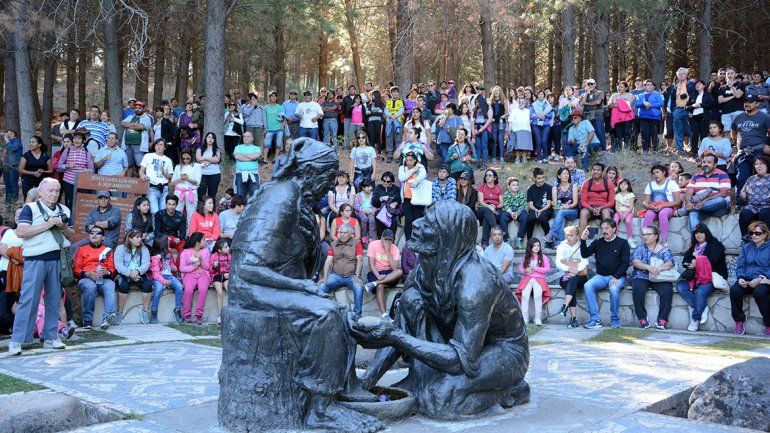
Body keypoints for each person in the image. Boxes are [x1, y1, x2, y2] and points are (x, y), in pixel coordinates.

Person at [8, 179, 74, 355]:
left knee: (54, 300)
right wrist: (49, 224)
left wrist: (64, 227)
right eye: (50, 190)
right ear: (40, 191)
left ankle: (51, 336)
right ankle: (17, 340)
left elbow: (72, 235)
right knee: (28, 299)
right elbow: (21, 232)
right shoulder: (30, 208)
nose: (54, 194)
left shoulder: (64, 209)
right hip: (35, 258)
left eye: (57, 191)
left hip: (57, 259)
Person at [580, 219, 631, 329]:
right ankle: (595, 320)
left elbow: (625, 263)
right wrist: (583, 240)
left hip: (618, 277)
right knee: (588, 285)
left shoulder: (623, 243)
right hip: (601, 276)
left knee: (614, 288)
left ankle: (615, 320)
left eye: (607, 228)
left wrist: (616, 277)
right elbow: (584, 254)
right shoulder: (598, 242)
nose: (604, 231)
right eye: (602, 228)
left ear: (614, 229)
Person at [676, 224, 727, 332]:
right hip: (695, 277)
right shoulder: (694, 247)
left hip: (711, 277)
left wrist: (697, 263)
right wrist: (691, 262)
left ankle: (695, 319)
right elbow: (685, 261)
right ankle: (701, 307)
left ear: (706, 233)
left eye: (701, 232)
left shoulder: (714, 245)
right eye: (696, 233)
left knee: (701, 291)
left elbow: (714, 260)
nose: (698, 235)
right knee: (680, 287)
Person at [630, 226, 675, 329]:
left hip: (658, 277)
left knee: (667, 289)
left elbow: (670, 263)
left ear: (656, 236)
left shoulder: (663, 249)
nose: (645, 236)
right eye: (644, 234)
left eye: (648, 234)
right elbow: (635, 262)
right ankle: (642, 318)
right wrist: (648, 267)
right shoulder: (640, 248)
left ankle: (662, 319)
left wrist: (658, 269)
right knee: (637, 287)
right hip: (642, 276)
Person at [730, 221, 770, 336]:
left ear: (765, 234)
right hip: (746, 279)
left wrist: (761, 278)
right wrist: (740, 277)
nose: (753, 235)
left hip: (763, 280)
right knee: (734, 291)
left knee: (759, 293)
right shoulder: (746, 247)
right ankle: (739, 321)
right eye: (751, 233)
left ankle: (769, 324)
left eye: (757, 233)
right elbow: (740, 265)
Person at [74, 226, 117, 330]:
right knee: (90, 287)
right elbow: (76, 269)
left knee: (110, 285)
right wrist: (87, 274)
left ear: (103, 238)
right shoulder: (81, 249)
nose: (94, 235)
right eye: (92, 233)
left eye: (97, 233)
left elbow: (112, 269)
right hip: (86, 279)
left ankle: (107, 319)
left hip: (103, 279)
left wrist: (106, 272)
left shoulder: (107, 250)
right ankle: (87, 321)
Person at [319, 224, 365, 320]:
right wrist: (324, 278)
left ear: (351, 234)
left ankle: (357, 314)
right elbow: (328, 261)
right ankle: (321, 312)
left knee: (359, 287)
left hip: (352, 276)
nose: (341, 235)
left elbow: (360, 260)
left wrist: (357, 275)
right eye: (340, 232)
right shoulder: (334, 244)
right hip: (336, 276)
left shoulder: (356, 243)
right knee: (321, 288)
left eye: (345, 233)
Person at [733, 93, 770, 201]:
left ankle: (762, 201)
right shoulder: (738, 117)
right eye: (745, 102)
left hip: (759, 151)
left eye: (750, 102)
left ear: (757, 103)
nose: (747, 104)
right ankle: (740, 203)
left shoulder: (764, 116)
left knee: (760, 177)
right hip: (743, 153)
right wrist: (739, 146)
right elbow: (733, 133)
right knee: (741, 177)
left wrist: (767, 145)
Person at [113, 229, 153, 323]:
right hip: (124, 273)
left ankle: (145, 311)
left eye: (140, 237)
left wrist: (137, 271)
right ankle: (119, 312)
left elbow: (146, 264)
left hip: (139, 273)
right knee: (123, 286)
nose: (140, 239)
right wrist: (130, 273)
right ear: (130, 239)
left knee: (148, 285)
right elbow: (118, 265)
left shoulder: (144, 249)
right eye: (137, 237)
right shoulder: (121, 248)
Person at [684, 154, 731, 231]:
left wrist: (704, 201)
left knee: (720, 200)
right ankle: (695, 238)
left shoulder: (722, 174)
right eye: (704, 162)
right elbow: (689, 191)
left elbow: (723, 194)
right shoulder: (696, 176)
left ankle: (688, 209)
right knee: (693, 214)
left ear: (715, 165)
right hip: (703, 209)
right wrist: (688, 202)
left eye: (709, 162)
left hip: (718, 208)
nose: (706, 164)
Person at [364, 229, 403, 320]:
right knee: (380, 286)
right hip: (375, 272)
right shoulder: (373, 245)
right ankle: (384, 315)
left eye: (390, 240)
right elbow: (371, 264)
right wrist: (378, 276)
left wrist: (388, 252)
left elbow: (394, 268)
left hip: (389, 274)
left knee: (399, 271)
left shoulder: (395, 249)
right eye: (386, 239)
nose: (388, 242)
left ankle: (374, 283)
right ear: (381, 238)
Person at [555, 226, 588, 328]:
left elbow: (585, 261)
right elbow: (558, 263)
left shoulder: (581, 246)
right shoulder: (561, 246)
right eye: (567, 235)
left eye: (571, 235)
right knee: (571, 283)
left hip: (580, 276)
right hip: (566, 275)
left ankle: (566, 307)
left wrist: (576, 271)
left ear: (577, 236)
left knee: (573, 280)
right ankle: (572, 318)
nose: (568, 237)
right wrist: (569, 269)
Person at [642, 164, 681, 245]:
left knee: (662, 213)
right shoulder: (650, 185)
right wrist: (650, 207)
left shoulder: (671, 183)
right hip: (654, 208)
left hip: (668, 208)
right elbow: (645, 202)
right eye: (654, 173)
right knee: (648, 214)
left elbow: (678, 201)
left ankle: (664, 242)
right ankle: (646, 241)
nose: (655, 175)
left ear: (664, 172)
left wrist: (663, 206)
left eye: (657, 172)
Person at [149, 235, 184, 324]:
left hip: (169, 275)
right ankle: (154, 311)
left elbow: (170, 263)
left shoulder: (168, 252)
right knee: (159, 288)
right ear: (163, 244)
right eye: (168, 241)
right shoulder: (155, 258)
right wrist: (165, 282)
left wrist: (173, 267)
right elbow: (156, 274)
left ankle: (177, 309)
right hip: (158, 277)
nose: (170, 241)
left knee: (179, 286)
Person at [516, 238, 551, 325]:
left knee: (538, 296)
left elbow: (548, 269)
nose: (536, 247)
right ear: (530, 246)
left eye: (538, 245)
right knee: (524, 296)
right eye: (534, 245)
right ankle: (525, 318)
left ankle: (538, 318)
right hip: (528, 278)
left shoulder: (543, 257)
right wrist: (526, 270)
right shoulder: (526, 257)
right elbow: (521, 268)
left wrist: (536, 268)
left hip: (539, 279)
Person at [179, 232, 211, 324]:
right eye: (203, 240)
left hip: (203, 274)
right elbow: (182, 268)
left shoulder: (206, 251)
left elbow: (207, 268)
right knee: (188, 290)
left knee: (203, 289)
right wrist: (194, 267)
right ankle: (187, 315)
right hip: (190, 274)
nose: (205, 241)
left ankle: (198, 315)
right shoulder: (185, 252)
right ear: (197, 242)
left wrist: (201, 259)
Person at [544, 167, 579, 248]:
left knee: (561, 213)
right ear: (559, 176)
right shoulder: (555, 188)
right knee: (561, 215)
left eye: (567, 173)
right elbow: (555, 204)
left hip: (572, 211)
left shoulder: (573, 186)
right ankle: (560, 243)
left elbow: (575, 203)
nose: (566, 175)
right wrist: (561, 206)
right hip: (559, 210)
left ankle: (551, 234)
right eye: (563, 173)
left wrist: (567, 206)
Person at [57, 132, 94, 208]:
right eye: (75, 138)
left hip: (81, 182)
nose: (76, 140)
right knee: (69, 203)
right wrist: (66, 165)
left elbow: (92, 169)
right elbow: (59, 165)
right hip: (68, 181)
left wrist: (88, 171)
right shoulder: (67, 150)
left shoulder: (86, 153)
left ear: (83, 141)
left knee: (79, 204)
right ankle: (69, 216)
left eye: (79, 139)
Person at [398, 152, 428, 242]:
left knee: (417, 219)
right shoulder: (402, 168)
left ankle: (417, 239)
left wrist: (416, 181)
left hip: (418, 198)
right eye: (407, 160)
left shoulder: (420, 167)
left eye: (411, 160)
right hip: (407, 198)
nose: (408, 162)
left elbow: (423, 175)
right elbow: (402, 178)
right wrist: (413, 170)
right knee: (408, 219)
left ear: (415, 160)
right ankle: (408, 240)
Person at [139, 139, 174, 214]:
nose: (158, 147)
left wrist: (164, 173)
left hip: (164, 188)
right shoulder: (148, 156)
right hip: (152, 187)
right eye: (157, 145)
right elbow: (141, 170)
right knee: (154, 212)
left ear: (165, 147)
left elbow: (170, 176)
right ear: (154, 146)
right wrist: (142, 175)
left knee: (163, 212)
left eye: (161, 145)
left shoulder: (168, 160)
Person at [739, 155, 770, 238]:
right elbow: (743, 191)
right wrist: (743, 194)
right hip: (752, 205)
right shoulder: (751, 178)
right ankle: (746, 238)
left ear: (767, 164)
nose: (758, 166)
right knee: (745, 212)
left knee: (764, 213)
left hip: (767, 205)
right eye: (756, 164)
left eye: (761, 163)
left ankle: (767, 238)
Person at [579, 163, 614, 232]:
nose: (596, 172)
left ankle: (607, 235)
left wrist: (601, 208)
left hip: (604, 207)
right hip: (590, 208)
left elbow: (611, 202)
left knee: (605, 212)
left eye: (598, 170)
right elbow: (583, 201)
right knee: (583, 212)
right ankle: (582, 237)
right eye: (594, 170)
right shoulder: (587, 183)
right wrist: (592, 209)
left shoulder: (608, 183)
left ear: (602, 172)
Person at [477, 169, 506, 247]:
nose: (487, 177)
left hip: (496, 209)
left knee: (487, 218)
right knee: (487, 211)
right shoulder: (482, 187)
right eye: (486, 175)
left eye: (490, 175)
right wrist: (489, 207)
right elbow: (481, 202)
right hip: (483, 209)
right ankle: (496, 227)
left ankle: (484, 243)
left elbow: (501, 204)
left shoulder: (499, 188)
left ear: (495, 178)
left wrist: (495, 206)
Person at [121, 101, 153, 171]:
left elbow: (141, 127)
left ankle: (141, 178)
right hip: (127, 145)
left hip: (139, 145)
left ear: (143, 109)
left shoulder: (147, 118)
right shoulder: (130, 117)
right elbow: (123, 124)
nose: (137, 109)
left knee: (140, 166)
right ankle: (130, 178)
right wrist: (135, 124)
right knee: (128, 165)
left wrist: (129, 125)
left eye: (139, 108)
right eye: (136, 108)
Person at [19, 136, 53, 200]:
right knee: (28, 200)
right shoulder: (26, 155)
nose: (30, 144)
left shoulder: (45, 156)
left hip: (42, 182)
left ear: (39, 144)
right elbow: (20, 170)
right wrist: (33, 173)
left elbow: (51, 170)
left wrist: (43, 171)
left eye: (33, 142)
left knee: (42, 200)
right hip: (28, 181)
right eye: (30, 142)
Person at [635, 80, 664, 154]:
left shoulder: (657, 94)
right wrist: (643, 103)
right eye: (647, 85)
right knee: (645, 133)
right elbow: (637, 104)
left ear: (654, 86)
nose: (649, 86)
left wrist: (650, 104)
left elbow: (661, 103)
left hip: (654, 117)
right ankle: (645, 150)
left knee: (654, 133)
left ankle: (655, 150)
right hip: (643, 117)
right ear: (644, 87)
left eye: (651, 85)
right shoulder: (640, 95)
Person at [525, 167, 553, 242]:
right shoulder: (530, 189)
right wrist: (536, 210)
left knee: (541, 217)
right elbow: (530, 205)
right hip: (534, 209)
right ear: (534, 179)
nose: (541, 180)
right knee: (531, 218)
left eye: (543, 177)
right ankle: (529, 240)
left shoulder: (549, 188)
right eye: (539, 178)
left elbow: (548, 204)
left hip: (546, 209)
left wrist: (541, 210)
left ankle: (549, 239)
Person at [500, 176, 528, 249]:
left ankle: (519, 238)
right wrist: (511, 213)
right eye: (513, 185)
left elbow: (522, 205)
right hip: (509, 211)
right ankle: (506, 238)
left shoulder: (521, 194)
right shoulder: (506, 194)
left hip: (519, 211)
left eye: (517, 185)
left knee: (525, 217)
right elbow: (506, 205)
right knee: (502, 217)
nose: (515, 187)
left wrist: (517, 213)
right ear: (509, 186)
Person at [372, 171, 401, 238]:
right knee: (379, 221)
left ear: (391, 181)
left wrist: (396, 203)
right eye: (384, 180)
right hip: (380, 212)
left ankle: (391, 240)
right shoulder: (378, 188)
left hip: (391, 212)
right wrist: (381, 198)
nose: (385, 183)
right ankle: (380, 239)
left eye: (388, 181)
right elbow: (374, 202)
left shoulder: (395, 188)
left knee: (393, 222)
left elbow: (398, 199)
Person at [608, 81, 636, 151]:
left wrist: (616, 104)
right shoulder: (614, 95)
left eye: (621, 87)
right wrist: (622, 103)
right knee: (618, 134)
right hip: (616, 118)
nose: (619, 88)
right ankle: (619, 150)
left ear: (626, 88)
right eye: (618, 87)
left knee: (627, 133)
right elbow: (609, 104)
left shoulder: (630, 95)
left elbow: (628, 105)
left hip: (627, 117)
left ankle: (628, 150)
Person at [209, 238, 231, 325]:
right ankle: (220, 316)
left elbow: (232, 268)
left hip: (226, 276)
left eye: (228, 246)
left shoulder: (230, 256)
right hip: (217, 276)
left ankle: (231, 313)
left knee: (229, 289)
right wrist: (214, 266)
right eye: (226, 247)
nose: (228, 248)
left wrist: (229, 273)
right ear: (219, 250)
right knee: (220, 292)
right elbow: (211, 271)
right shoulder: (214, 256)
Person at [506, 98, 534, 164]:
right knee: (517, 146)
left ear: (525, 104)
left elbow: (532, 119)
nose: (521, 103)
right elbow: (510, 120)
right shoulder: (514, 111)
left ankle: (524, 158)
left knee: (525, 146)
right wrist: (509, 130)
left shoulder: (528, 111)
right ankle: (517, 158)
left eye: (522, 102)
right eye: (520, 102)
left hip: (526, 129)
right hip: (516, 130)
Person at [196, 132, 222, 200]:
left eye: (213, 138)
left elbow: (216, 160)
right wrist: (211, 159)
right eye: (209, 137)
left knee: (212, 196)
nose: (210, 139)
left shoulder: (217, 150)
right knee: (201, 195)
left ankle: (212, 207)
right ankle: (201, 207)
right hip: (202, 175)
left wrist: (204, 158)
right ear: (206, 138)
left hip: (214, 175)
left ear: (214, 140)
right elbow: (198, 159)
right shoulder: (199, 149)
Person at [353, 179, 377, 245]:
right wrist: (363, 210)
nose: (370, 188)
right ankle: (363, 235)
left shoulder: (373, 195)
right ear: (363, 188)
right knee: (364, 218)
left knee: (372, 219)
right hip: (361, 211)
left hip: (370, 211)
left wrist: (373, 210)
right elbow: (355, 206)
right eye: (368, 187)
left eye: (371, 186)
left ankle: (371, 237)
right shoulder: (359, 195)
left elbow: (377, 204)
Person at [2, 130, 23, 204]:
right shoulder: (7, 143)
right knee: (7, 184)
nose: (9, 135)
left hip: (14, 166)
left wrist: (7, 140)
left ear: (15, 135)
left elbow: (13, 148)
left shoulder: (17, 142)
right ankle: (8, 201)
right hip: (6, 166)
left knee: (13, 183)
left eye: (11, 134)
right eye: (8, 134)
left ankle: (14, 201)